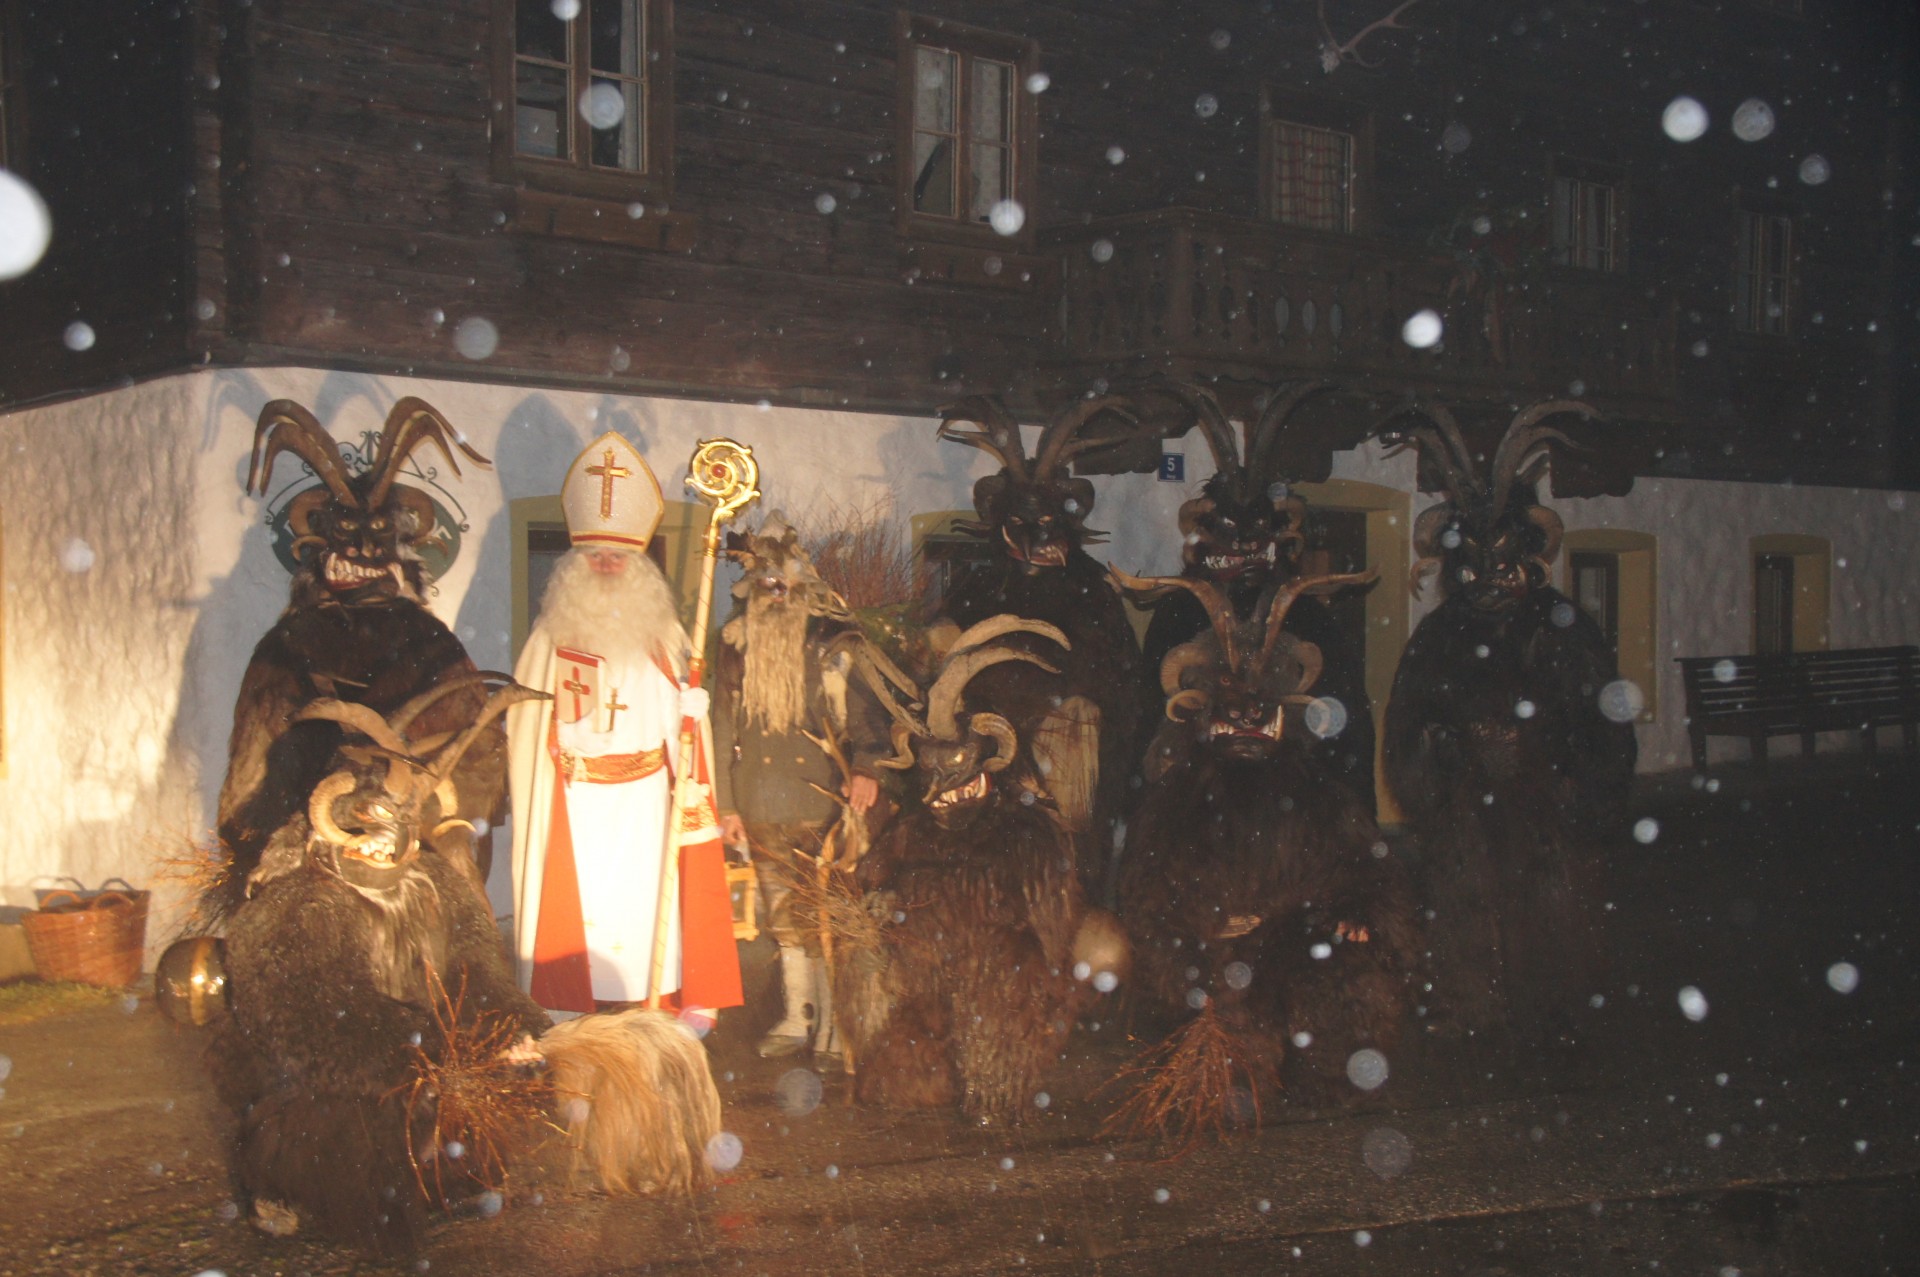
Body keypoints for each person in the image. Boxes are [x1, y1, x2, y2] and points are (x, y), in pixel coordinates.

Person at [506, 432, 742, 1017]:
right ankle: (572, 1007)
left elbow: (680, 733)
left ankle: (653, 1006)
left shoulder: (664, 635)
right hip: (577, 803)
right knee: (582, 910)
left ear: (640, 567)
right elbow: (528, 726)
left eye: (619, 557)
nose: (608, 565)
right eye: (595, 556)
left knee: (646, 910)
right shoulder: (549, 638)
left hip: (644, 805)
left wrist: (689, 712)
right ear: (573, 566)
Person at [711, 517, 894, 1062]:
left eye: (785, 585)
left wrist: (868, 770)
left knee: (826, 917)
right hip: (758, 802)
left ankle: (836, 1027)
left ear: (803, 588)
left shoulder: (832, 648)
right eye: (767, 585)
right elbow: (720, 727)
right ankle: (799, 1017)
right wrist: (726, 806)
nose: (776, 595)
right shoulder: (733, 648)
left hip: (823, 804)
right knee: (782, 916)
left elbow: (868, 719)